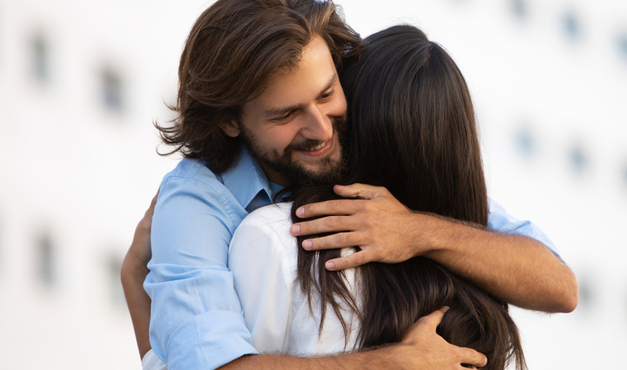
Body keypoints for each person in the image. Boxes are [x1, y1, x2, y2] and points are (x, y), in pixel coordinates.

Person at [120, 1, 577, 369]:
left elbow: (559, 286)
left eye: (326, 94)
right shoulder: (197, 200)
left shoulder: (353, 137)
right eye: (285, 114)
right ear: (229, 121)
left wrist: (418, 230)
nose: (320, 129)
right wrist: (393, 364)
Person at [228, 24, 527, 370]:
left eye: (327, 96)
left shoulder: (277, 238)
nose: (323, 127)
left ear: (358, 118)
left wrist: (146, 300)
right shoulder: (486, 284)